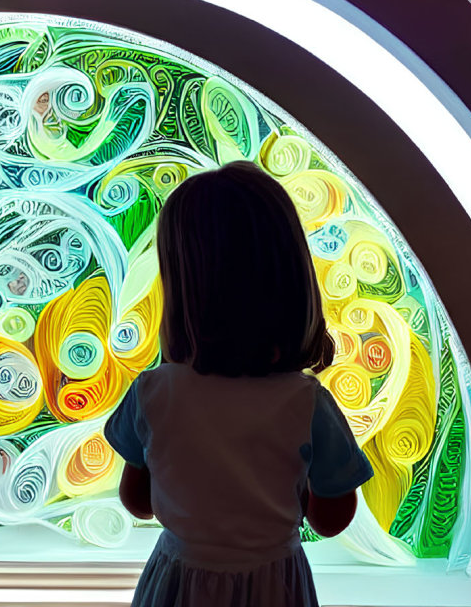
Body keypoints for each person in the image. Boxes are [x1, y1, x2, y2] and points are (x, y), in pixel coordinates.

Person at [104, 161, 373, 607]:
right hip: (272, 585)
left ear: (180, 288)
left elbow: (137, 501)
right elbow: (333, 518)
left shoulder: (153, 392)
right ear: (290, 280)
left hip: (177, 585)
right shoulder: (307, 403)